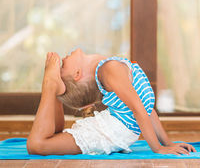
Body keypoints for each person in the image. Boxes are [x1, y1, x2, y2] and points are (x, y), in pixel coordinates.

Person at [27, 48, 196, 155]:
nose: (63, 57)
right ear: (77, 74)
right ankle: (51, 84)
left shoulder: (109, 68)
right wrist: (160, 147)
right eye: (63, 65)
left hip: (112, 131)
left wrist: (166, 145)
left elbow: (145, 110)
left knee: (42, 143)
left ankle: (53, 86)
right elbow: (141, 111)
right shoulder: (109, 69)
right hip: (111, 131)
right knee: (39, 144)